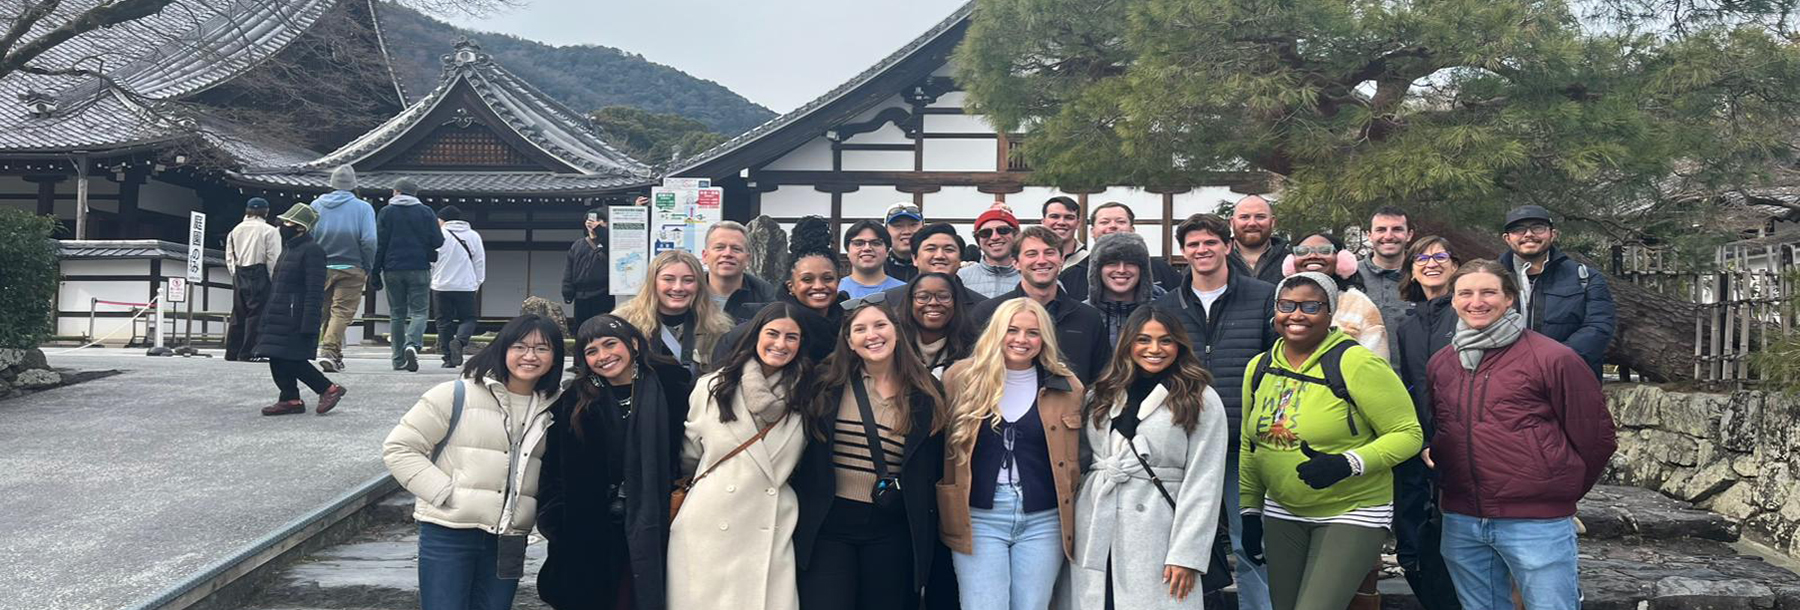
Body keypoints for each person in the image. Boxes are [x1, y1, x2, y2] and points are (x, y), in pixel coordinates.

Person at [1426, 260, 1617, 610]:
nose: (1476, 302)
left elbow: (1596, 439)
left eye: (1488, 292)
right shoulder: (1441, 363)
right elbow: (1445, 427)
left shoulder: (1554, 359)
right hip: (1463, 517)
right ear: (1452, 300)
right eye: (1465, 293)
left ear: (1510, 298)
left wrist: (1557, 489)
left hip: (1536, 521)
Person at [1239, 272, 1423, 610]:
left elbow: (1408, 434)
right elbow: (1251, 446)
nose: (1296, 315)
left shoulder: (1356, 362)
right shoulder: (1260, 366)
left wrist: (1348, 463)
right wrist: (1249, 509)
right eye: (1287, 305)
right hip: (1284, 509)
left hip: (1352, 508)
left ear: (1330, 313)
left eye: (1311, 306)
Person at [382, 314, 566, 610]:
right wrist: (445, 493)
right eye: (520, 346)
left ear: (555, 357)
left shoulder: (555, 407)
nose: (530, 356)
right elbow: (399, 448)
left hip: (509, 537)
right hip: (449, 532)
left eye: (542, 348)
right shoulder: (455, 394)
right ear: (503, 348)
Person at [1150, 213, 1277, 610]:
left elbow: (1277, 365)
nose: (1201, 250)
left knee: (1250, 544)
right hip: (1183, 441)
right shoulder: (1167, 305)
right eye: (1193, 245)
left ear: (1227, 246)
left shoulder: (1263, 296)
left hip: (1244, 442)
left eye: (1210, 243)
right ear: (1183, 252)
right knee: (1179, 539)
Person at [1072, 306, 1230, 609]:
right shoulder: (1102, 392)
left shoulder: (1200, 397)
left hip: (1159, 530)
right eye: (1143, 340)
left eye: (1165, 340)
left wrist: (1186, 554)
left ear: (1179, 345)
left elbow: (1204, 481)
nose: (1154, 349)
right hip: (1096, 519)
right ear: (1128, 343)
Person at [793, 303, 948, 610]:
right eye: (860, 329)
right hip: (829, 525)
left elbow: (933, 464)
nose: (872, 335)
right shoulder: (825, 384)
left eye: (880, 325)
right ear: (849, 341)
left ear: (897, 332)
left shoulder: (926, 392)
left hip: (891, 527)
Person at [536, 315, 694, 610]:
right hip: (590, 530)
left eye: (610, 344)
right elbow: (552, 469)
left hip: (657, 522)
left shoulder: (673, 390)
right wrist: (555, 521)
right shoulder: (575, 400)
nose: (603, 356)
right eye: (591, 350)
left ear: (633, 343)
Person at [938, 297, 1084, 610]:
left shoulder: (1067, 386)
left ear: (1044, 337)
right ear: (996, 332)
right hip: (978, 516)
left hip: (1043, 517)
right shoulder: (961, 378)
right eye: (1012, 330)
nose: (1021, 339)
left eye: (1032, 332)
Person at [669, 303, 814, 610]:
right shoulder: (712, 386)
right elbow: (690, 454)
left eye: (792, 337)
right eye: (772, 334)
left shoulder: (809, 394)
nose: (780, 344)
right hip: (709, 518)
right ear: (755, 336)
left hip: (772, 520)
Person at [1390, 236, 1463, 610]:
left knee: (1456, 543)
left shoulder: (1467, 313)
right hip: (1418, 443)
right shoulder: (1407, 324)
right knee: (1413, 543)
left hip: (1462, 443)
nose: (1431, 263)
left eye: (1440, 255)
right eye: (1422, 257)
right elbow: (1408, 386)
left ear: (1454, 265)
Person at [970, 226, 1111, 385]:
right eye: (1032, 254)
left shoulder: (1088, 318)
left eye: (1049, 253)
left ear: (1062, 260)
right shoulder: (988, 313)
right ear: (1015, 262)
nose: (1042, 260)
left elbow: (1101, 379)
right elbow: (973, 371)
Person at [1496, 205, 1616, 378]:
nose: (1528, 234)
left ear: (1553, 234)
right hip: (1505, 380)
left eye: (1537, 227)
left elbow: (1599, 328)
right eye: (1518, 229)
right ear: (1507, 238)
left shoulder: (1585, 277)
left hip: (1568, 379)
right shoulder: (1489, 278)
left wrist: (1551, 362)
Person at [253, 204, 346, 416]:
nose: (282, 226)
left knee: (291, 358)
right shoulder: (289, 249)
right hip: (279, 312)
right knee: (275, 355)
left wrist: (310, 322)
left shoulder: (312, 251)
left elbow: (315, 291)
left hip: (295, 314)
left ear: (300, 228)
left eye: (288, 223)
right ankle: (290, 398)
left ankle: (328, 389)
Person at [716, 217, 847, 366]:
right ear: (791, 286)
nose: (818, 286)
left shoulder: (847, 320)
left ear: (838, 280)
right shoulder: (774, 320)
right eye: (807, 279)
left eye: (828, 278)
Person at [614, 249, 734, 374]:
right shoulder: (622, 323)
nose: (678, 288)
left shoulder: (718, 328)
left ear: (699, 285)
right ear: (653, 282)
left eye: (688, 280)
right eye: (668, 279)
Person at [310, 164, 378, 373]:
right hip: (351, 265)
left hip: (321, 266)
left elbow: (308, 235)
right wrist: (368, 265)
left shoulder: (316, 205)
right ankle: (330, 350)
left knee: (324, 310)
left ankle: (334, 355)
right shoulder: (363, 207)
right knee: (341, 311)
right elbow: (369, 239)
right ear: (353, 185)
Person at [375, 177, 445, 372]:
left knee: (397, 314)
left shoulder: (386, 212)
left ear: (397, 192)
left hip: (392, 268)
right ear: (414, 194)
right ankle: (412, 345)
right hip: (419, 267)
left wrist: (374, 272)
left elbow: (379, 244)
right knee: (419, 312)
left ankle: (397, 359)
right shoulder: (425, 212)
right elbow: (438, 241)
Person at [1284, 232, 1389, 360]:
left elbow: (1376, 362)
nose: (1312, 255)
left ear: (1342, 260)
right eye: (1302, 251)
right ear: (1291, 261)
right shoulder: (1281, 302)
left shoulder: (1360, 304)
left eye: (1324, 250)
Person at [1075, 201, 1181, 297]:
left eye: (1120, 222)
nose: (1113, 226)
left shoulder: (1161, 269)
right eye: (1104, 222)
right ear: (1092, 231)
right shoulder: (1073, 275)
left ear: (1132, 230)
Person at [225, 197, 281, 362]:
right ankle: (249, 352)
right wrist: (273, 279)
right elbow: (273, 258)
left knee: (238, 312)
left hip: (239, 271)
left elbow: (229, 256)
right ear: (266, 211)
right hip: (259, 271)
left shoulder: (235, 230)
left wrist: (235, 273)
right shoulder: (270, 231)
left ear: (247, 211)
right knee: (257, 314)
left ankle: (232, 352)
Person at [1086, 232, 1165, 347]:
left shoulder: (1161, 314)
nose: (1121, 270)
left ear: (1142, 270)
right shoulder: (1082, 315)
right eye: (1112, 263)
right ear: (1097, 270)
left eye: (1130, 263)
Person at [1357, 207, 1415, 360]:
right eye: (1381, 229)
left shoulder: (1424, 276)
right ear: (1369, 235)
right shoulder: (1349, 277)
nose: (1388, 236)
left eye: (1397, 229)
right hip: (1361, 376)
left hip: (1416, 379)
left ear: (1409, 235)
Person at [432, 205, 486, 369]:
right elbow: (479, 261)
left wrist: (432, 278)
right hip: (465, 285)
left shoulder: (438, 235)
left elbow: (431, 260)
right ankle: (459, 341)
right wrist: (478, 282)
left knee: (443, 322)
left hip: (441, 284)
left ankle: (448, 358)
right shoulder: (473, 235)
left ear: (442, 219)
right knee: (469, 318)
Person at [894, 272, 975, 376]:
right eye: (923, 297)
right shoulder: (894, 346)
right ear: (910, 302)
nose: (933, 302)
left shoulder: (974, 349)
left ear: (955, 302)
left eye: (943, 296)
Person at [704, 221, 781, 319]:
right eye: (719, 247)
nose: (727, 253)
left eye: (736, 249)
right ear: (705, 256)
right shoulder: (690, 291)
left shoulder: (764, 295)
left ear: (747, 259)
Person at [563, 206, 612, 336]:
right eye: (590, 220)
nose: (594, 222)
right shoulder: (578, 244)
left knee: (602, 330)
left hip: (603, 293)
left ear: (605, 223)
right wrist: (567, 291)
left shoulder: (610, 241)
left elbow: (609, 241)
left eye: (599, 220)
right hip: (581, 295)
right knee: (582, 331)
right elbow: (569, 269)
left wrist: (599, 229)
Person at [960, 205, 1022, 298]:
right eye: (985, 233)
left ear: (1016, 235)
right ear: (978, 240)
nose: (995, 237)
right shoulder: (961, 278)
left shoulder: (1030, 276)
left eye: (1003, 230)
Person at [1227, 195, 1288, 286]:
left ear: (1272, 222)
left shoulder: (1291, 261)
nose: (1252, 223)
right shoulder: (1218, 259)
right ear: (1232, 222)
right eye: (1244, 217)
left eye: (1260, 217)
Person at [841, 219, 907, 299]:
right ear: (848, 251)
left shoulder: (905, 291)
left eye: (876, 243)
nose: (867, 248)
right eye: (859, 243)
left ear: (887, 251)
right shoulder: (836, 289)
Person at [1042, 196, 1091, 298]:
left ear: (1078, 223)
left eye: (1069, 217)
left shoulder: (1089, 262)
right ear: (1043, 222)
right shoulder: (1030, 260)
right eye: (1054, 216)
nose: (1061, 222)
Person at [885, 202, 924, 282]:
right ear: (886, 231)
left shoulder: (934, 266)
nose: (906, 232)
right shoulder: (876, 268)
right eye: (898, 226)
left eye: (913, 225)